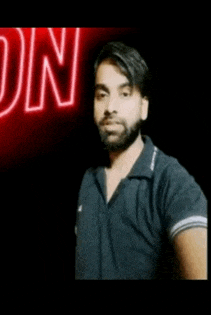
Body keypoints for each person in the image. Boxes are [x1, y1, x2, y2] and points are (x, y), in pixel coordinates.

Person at [75, 41, 207, 280]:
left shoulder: (173, 182)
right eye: (101, 95)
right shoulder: (88, 180)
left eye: (124, 94)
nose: (110, 107)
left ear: (143, 107)